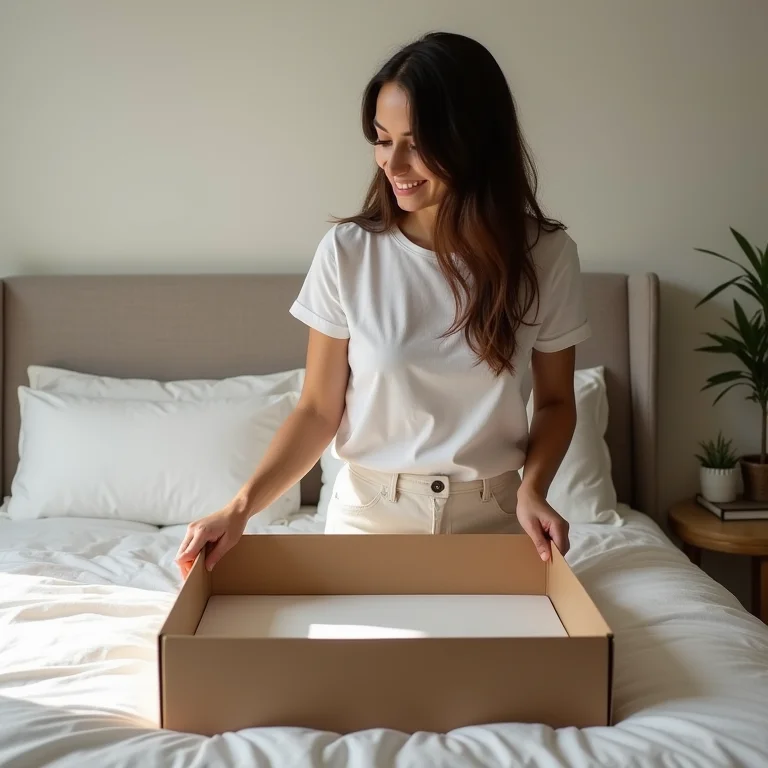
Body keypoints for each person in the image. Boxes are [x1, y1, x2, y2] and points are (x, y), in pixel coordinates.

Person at [175, 31, 590, 578]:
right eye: (381, 137)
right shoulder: (349, 253)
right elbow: (318, 409)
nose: (393, 163)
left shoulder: (547, 256)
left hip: (494, 523)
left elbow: (557, 402)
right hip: (368, 521)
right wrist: (240, 507)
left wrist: (533, 490)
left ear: (473, 140)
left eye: (417, 143)